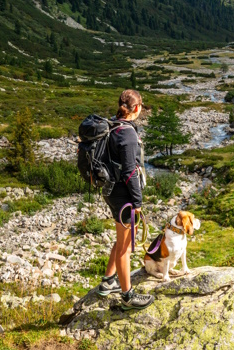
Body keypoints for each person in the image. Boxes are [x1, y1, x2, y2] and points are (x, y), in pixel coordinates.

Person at [95, 89, 155, 311]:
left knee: (121, 238)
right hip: (123, 195)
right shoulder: (128, 135)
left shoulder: (113, 125)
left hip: (110, 190)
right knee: (125, 248)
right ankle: (128, 296)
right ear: (137, 108)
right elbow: (130, 172)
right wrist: (138, 202)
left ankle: (108, 280)